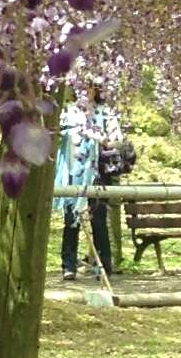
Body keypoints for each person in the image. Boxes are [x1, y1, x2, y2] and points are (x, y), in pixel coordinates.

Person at [85, 88, 135, 275]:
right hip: (77, 168)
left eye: (89, 87)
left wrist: (101, 139)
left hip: (100, 171)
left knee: (99, 218)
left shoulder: (105, 112)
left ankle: (105, 263)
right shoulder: (74, 110)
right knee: (71, 219)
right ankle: (73, 264)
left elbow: (116, 139)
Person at [52, 104, 105, 281]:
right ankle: (69, 265)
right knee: (71, 222)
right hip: (71, 174)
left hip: (96, 174)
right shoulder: (68, 112)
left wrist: (96, 136)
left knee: (98, 223)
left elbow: (111, 138)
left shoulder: (102, 111)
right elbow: (58, 133)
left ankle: (103, 266)